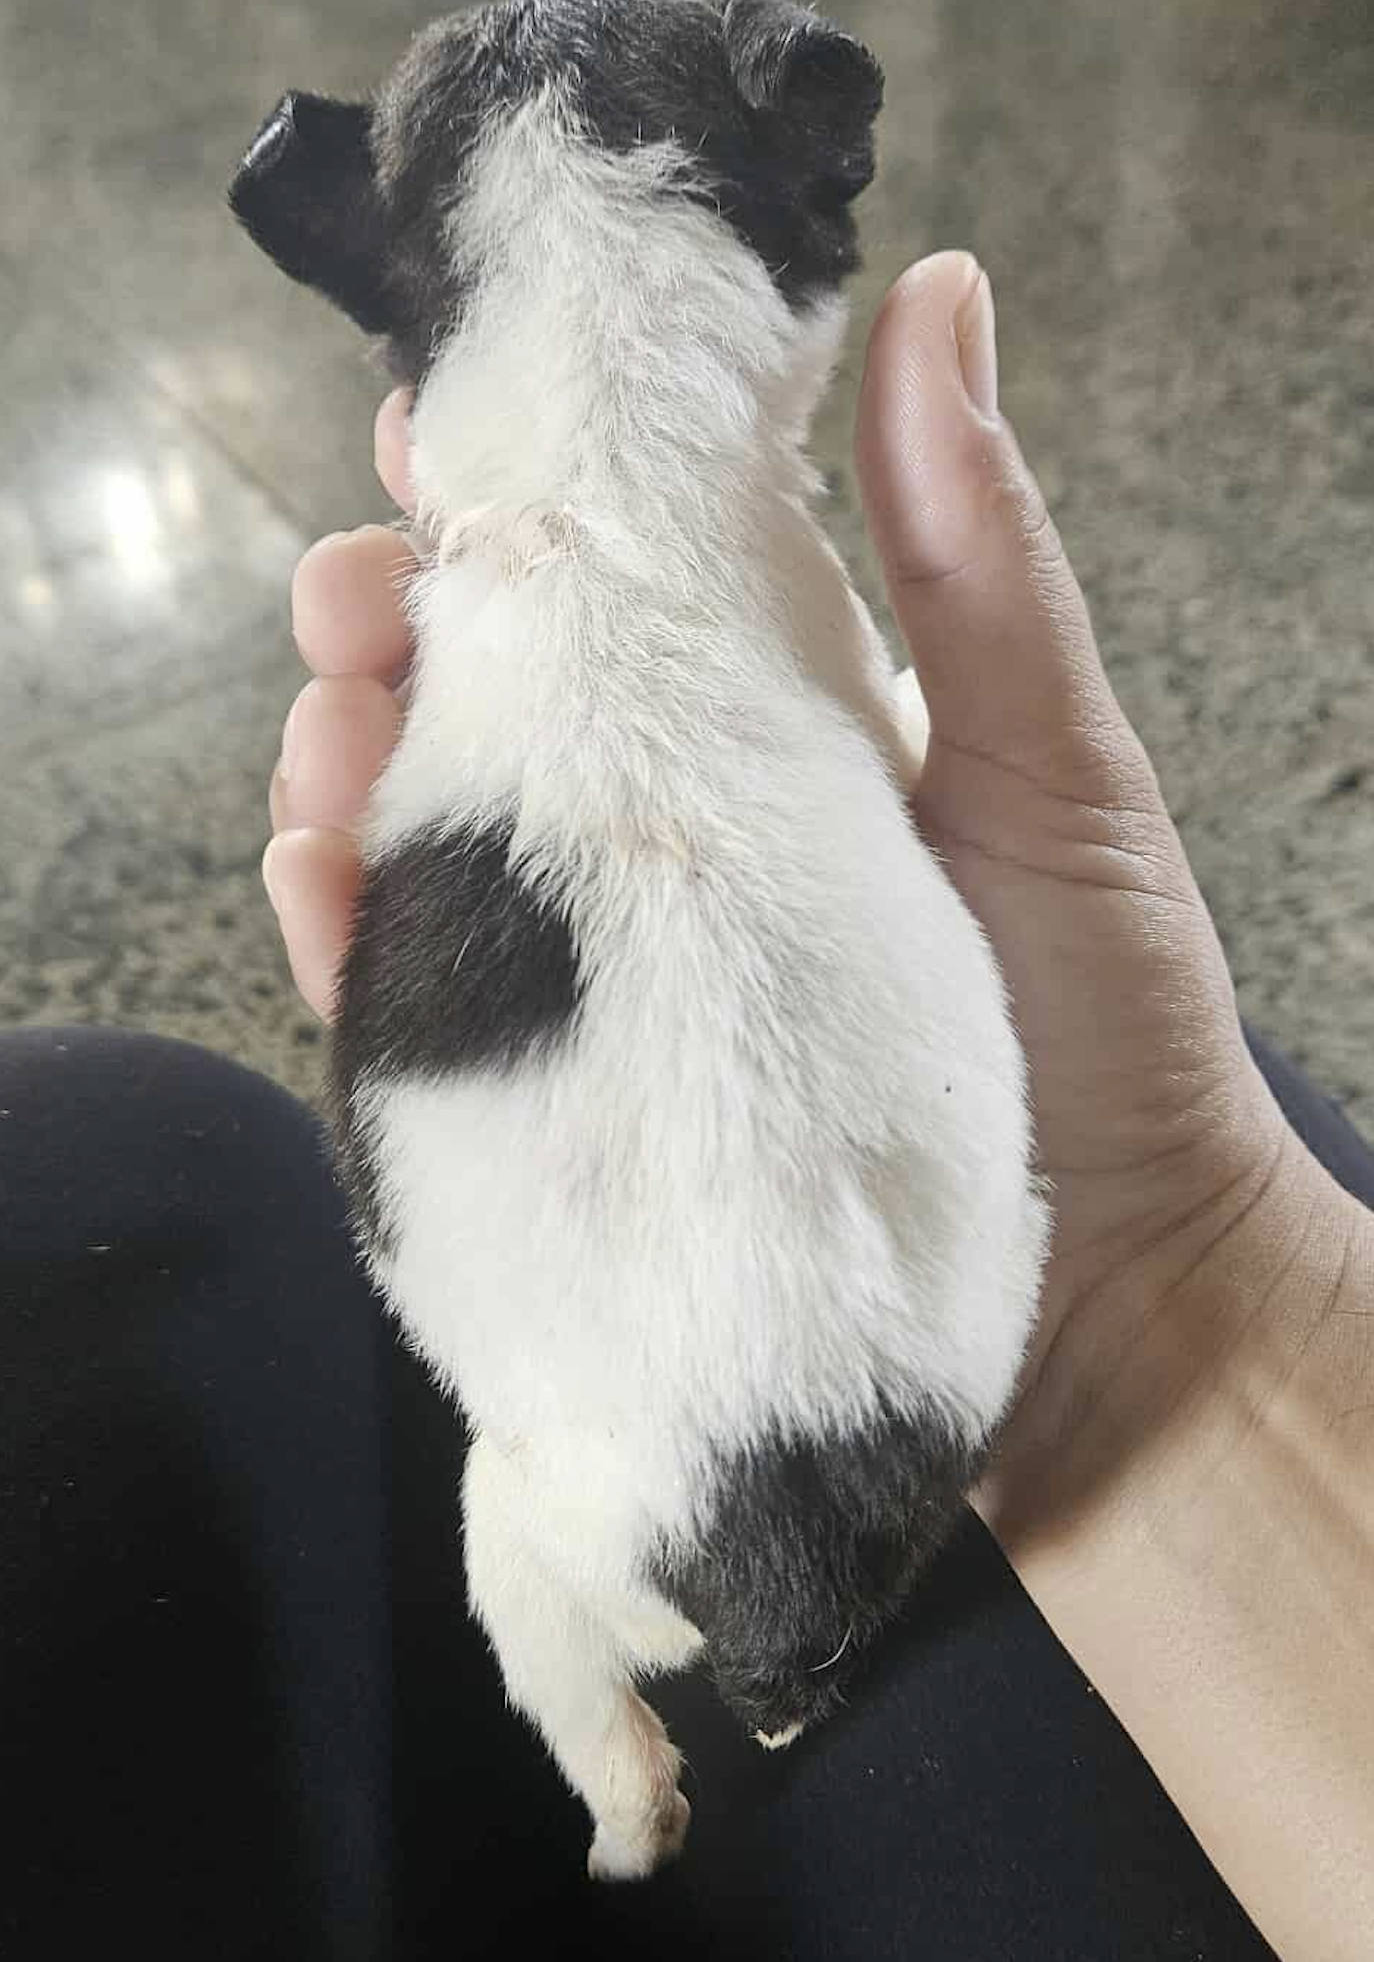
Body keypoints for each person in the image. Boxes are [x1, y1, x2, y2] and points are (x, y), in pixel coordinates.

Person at [6, 255, 1370, 1961]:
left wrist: (1176, 1251)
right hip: (946, 1375)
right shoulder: (779, 581)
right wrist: (1184, 1246)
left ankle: (622, 1794)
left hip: (726, 1469)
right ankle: (710, 1704)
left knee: (133, 1149)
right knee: (133, 1148)